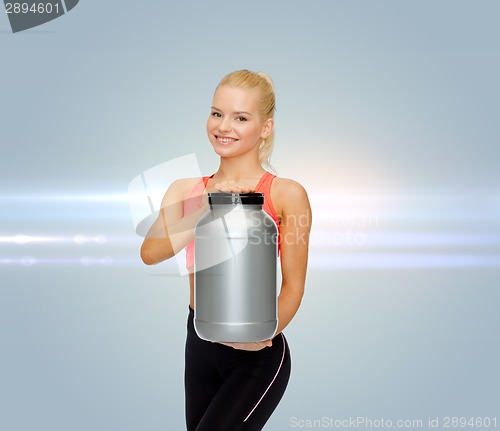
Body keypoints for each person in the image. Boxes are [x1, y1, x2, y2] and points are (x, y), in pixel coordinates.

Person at [140, 69, 312, 430]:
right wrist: (208, 201)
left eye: (241, 117)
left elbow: (293, 286)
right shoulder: (184, 188)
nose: (224, 126)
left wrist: (259, 335)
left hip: (257, 355)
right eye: (217, 113)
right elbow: (151, 253)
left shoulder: (285, 193)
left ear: (265, 127)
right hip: (199, 342)